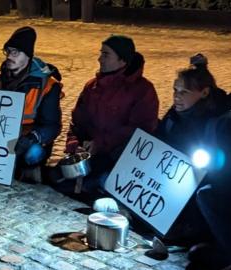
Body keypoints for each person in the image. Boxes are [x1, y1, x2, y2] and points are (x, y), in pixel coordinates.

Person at [155, 54, 231, 270]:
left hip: (216, 191)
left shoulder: (223, 123)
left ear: (204, 93)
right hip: (175, 188)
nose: (177, 97)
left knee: (205, 195)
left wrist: (212, 164)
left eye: (184, 92)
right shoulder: (173, 117)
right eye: (175, 91)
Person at [62, 35, 159, 199]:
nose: (99, 59)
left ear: (122, 61)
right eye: (101, 53)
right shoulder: (92, 86)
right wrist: (75, 145)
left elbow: (141, 131)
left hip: (119, 161)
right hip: (90, 156)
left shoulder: (143, 90)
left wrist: (100, 144)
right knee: (59, 181)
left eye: (106, 55)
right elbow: (77, 122)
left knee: (99, 185)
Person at [0, 26, 63, 183]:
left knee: (33, 153)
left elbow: (52, 126)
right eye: (7, 51)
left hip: (30, 138)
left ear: (28, 56)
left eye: (15, 52)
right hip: (3, 137)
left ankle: (29, 169)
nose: (9, 56)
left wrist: (32, 137)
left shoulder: (48, 85)